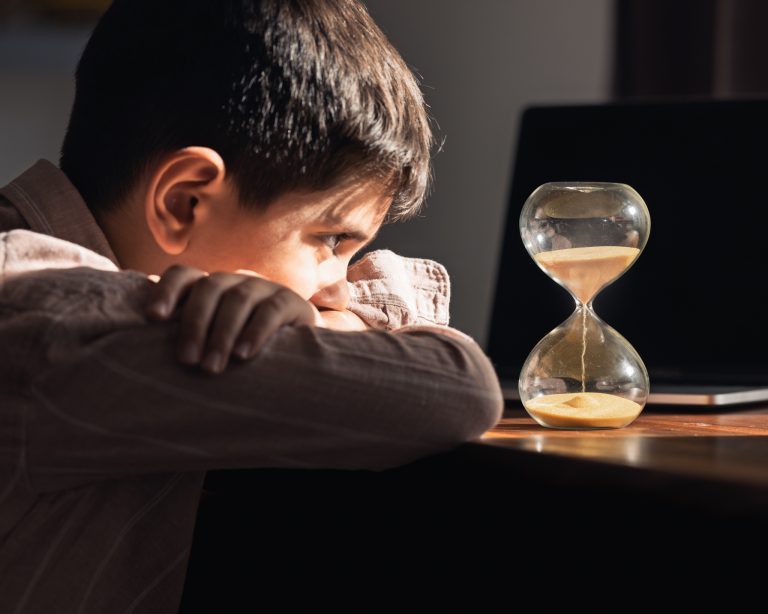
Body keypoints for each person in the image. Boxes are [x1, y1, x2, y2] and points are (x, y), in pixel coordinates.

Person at [0, 0, 504, 612]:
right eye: (331, 239)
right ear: (184, 202)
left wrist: (326, 320)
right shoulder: (77, 329)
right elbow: (460, 389)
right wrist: (340, 326)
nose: (335, 285)